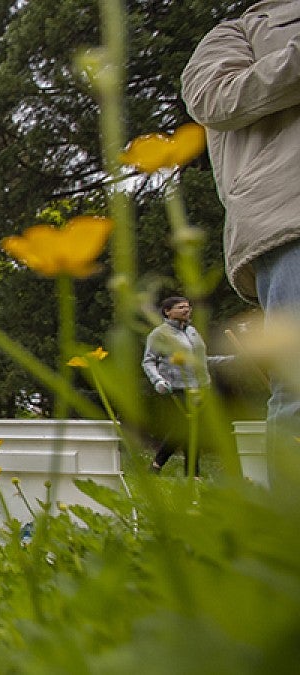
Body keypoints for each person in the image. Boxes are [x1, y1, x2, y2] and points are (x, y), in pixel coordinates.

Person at [181, 1, 300, 483]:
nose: (184, 313)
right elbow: (213, 96)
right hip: (291, 215)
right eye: (180, 310)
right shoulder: (239, 31)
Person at [142, 296, 234, 475]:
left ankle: (161, 467)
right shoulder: (159, 334)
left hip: (200, 388)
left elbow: (200, 362)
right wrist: (158, 380)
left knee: (190, 430)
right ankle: (186, 472)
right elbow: (148, 361)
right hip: (175, 389)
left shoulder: (192, 332)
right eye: (180, 307)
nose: (186, 310)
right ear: (167, 311)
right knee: (186, 429)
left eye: (188, 307)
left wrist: (229, 360)